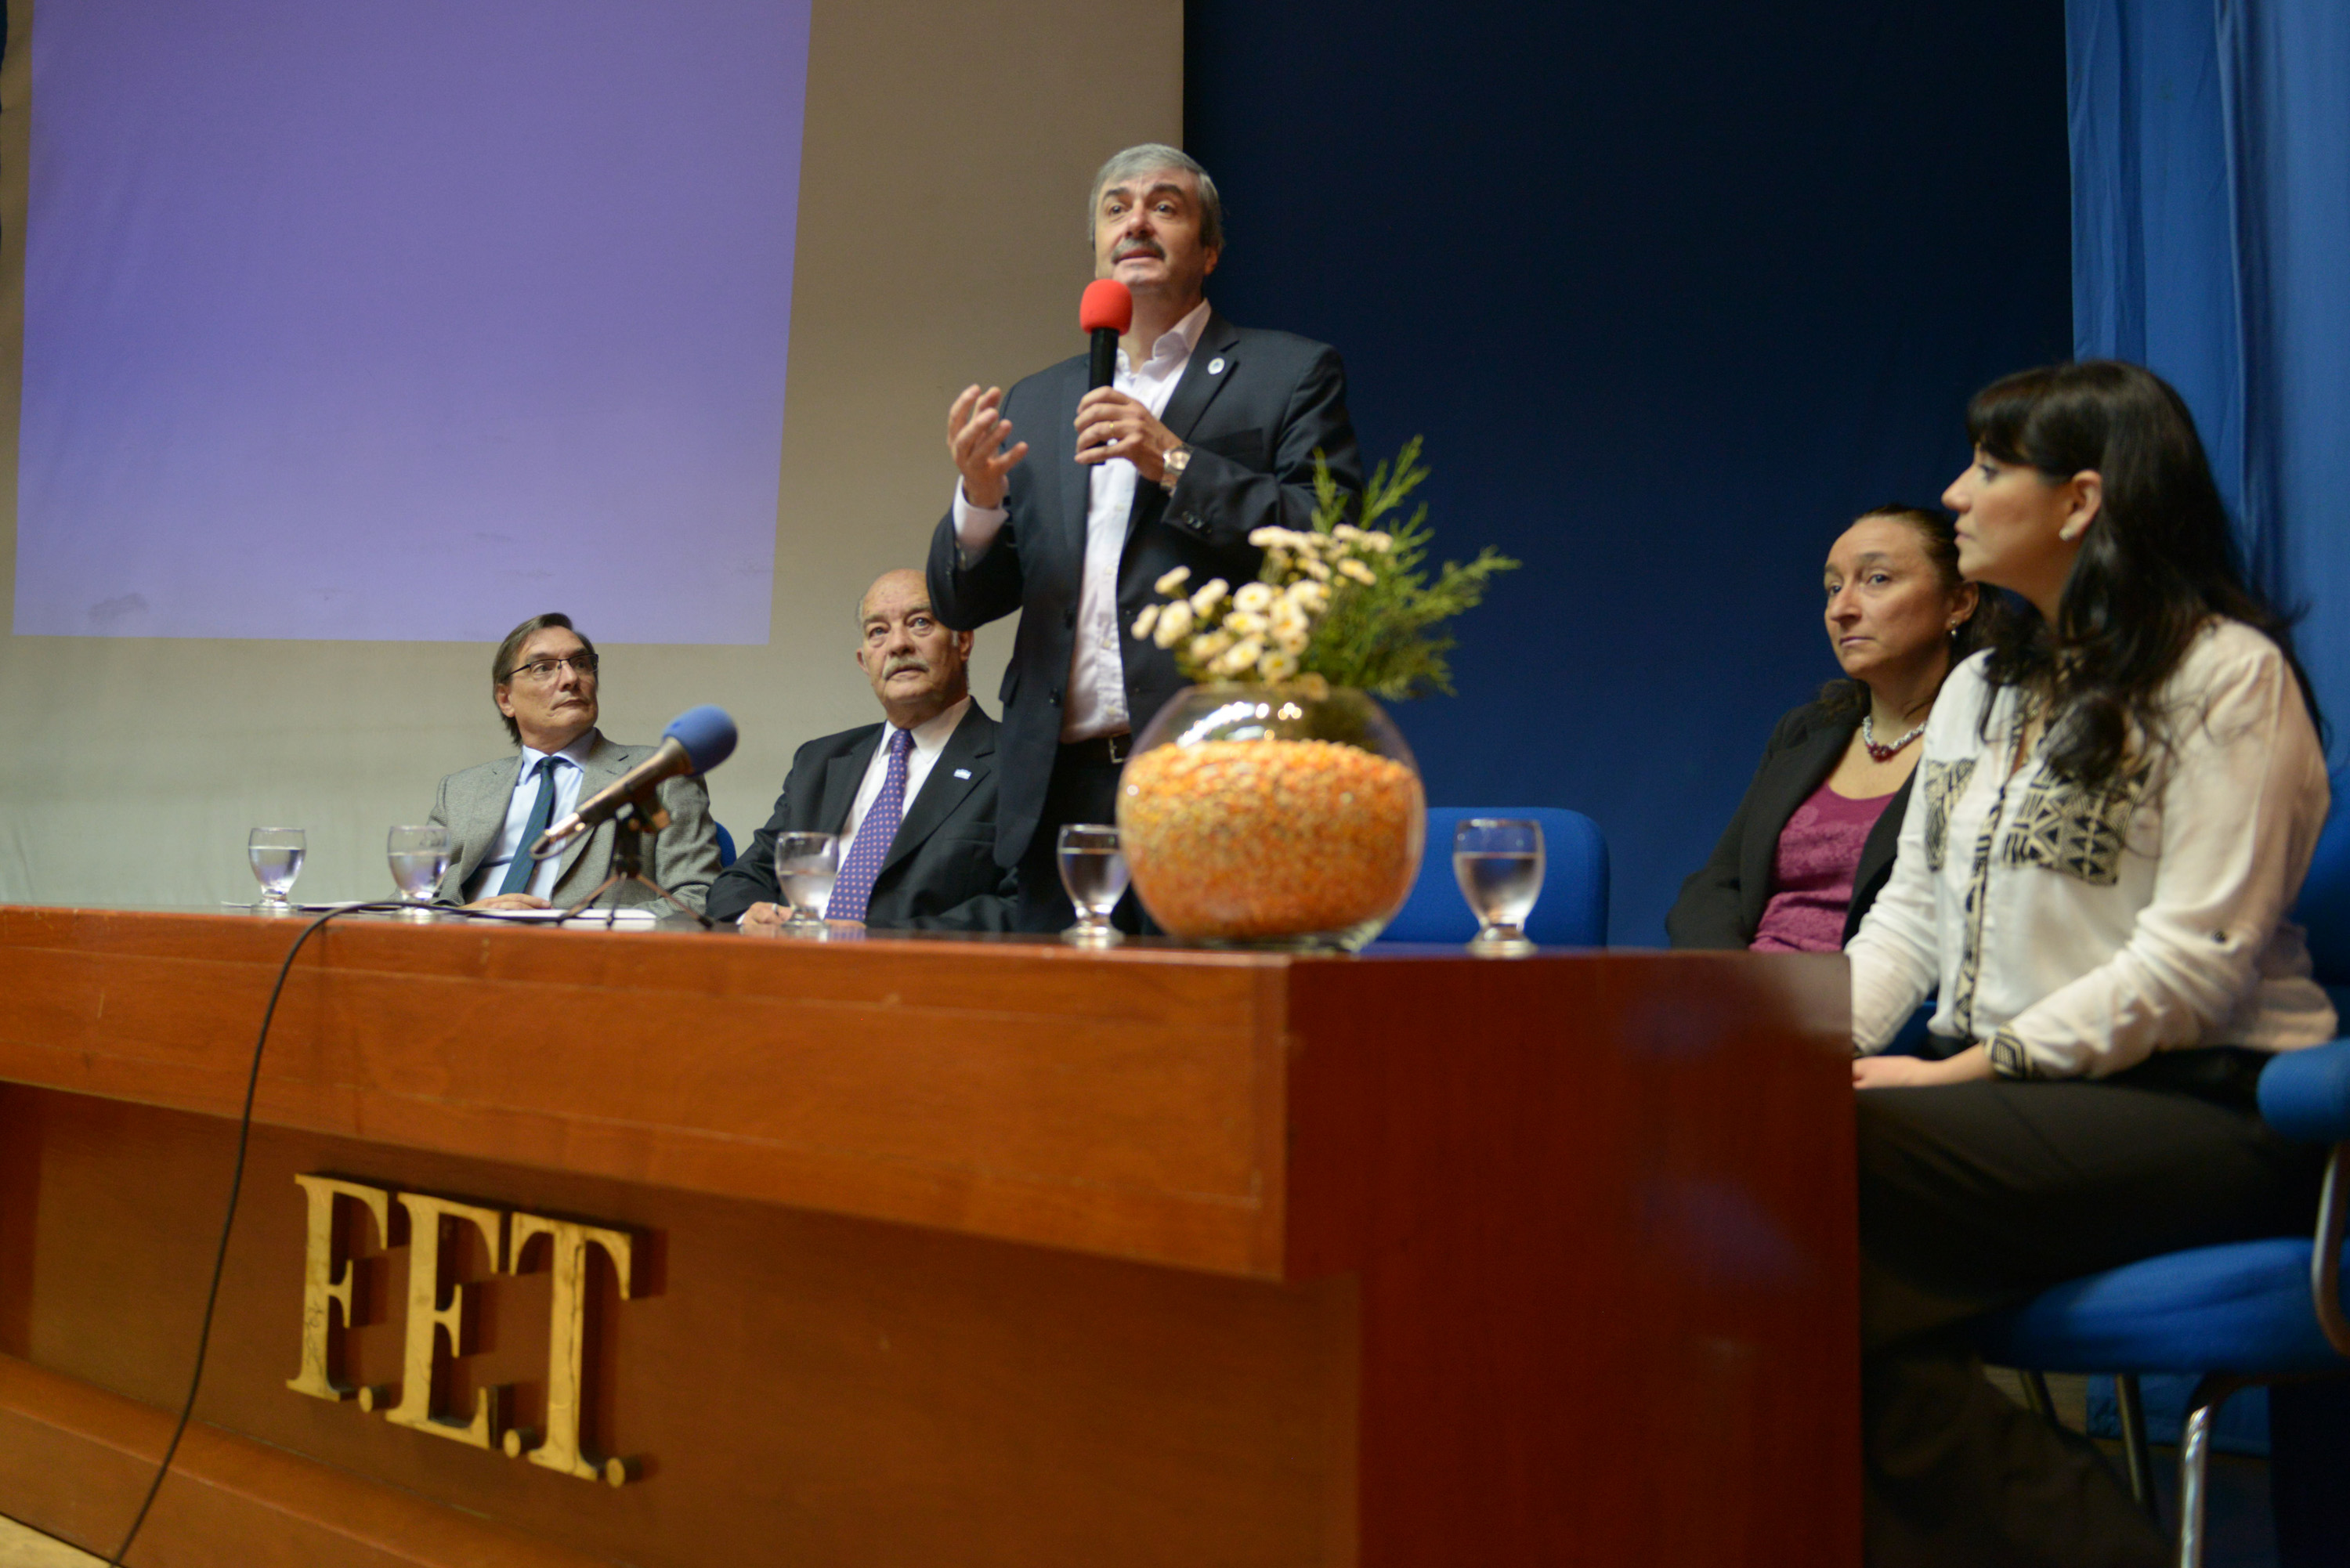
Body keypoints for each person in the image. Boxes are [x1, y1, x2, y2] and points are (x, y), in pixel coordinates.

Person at [1842, 361, 2335, 1566]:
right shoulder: (1979, 689)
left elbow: (2191, 968)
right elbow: (1910, 915)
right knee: (1768, 1240)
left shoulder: (2226, 675)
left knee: (1822, 1175)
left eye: (1988, 467)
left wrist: (1960, 1074)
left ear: (2080, 501)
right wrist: (1791, 1047)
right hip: (2010, 1114)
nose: (1955, 493)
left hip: (2202, 1109)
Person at [927, 143, 1363, 932]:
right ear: (1097, 246)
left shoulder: (1288, 373)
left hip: (1214, 779)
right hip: (1057, 792)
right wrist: (979, 503)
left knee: (1198, 1007)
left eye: (1165, 206)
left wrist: (1175, 462)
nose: (1136, 222)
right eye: (1116, 208)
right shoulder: (1041, 398)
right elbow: (963, 603)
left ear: (1210, 250)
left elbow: (1328, 541)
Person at [1668, 506, 1991, 951]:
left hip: (1881, 987)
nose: (1841, 609)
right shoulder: (1805, 732)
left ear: (1958, 603)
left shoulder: (1993, 737)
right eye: (1833, 588)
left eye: (1877, 579)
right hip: (1748, 983)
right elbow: (1720, 884)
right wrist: (1729, 979)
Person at [707, 569, 1017, 930]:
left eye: (919, 623)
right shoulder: (820, 761)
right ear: (864, 662)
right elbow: (743, 877)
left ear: (962, 641)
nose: (897, 645)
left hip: (917, 964)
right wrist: (751, 916)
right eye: (878, 631)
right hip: (794, 958)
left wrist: (876, 940)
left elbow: (1026, 904)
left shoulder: (1020, 762)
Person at [428, 612, 721, 913]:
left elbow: (696, 898)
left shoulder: (660, 773)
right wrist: (465, 918)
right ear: (506, 699)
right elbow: (415, 903)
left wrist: (574, 927)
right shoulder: (461, 791)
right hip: (470, 938)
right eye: (543, 668)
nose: (571, 679)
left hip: (591, 941)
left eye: (581, 664)